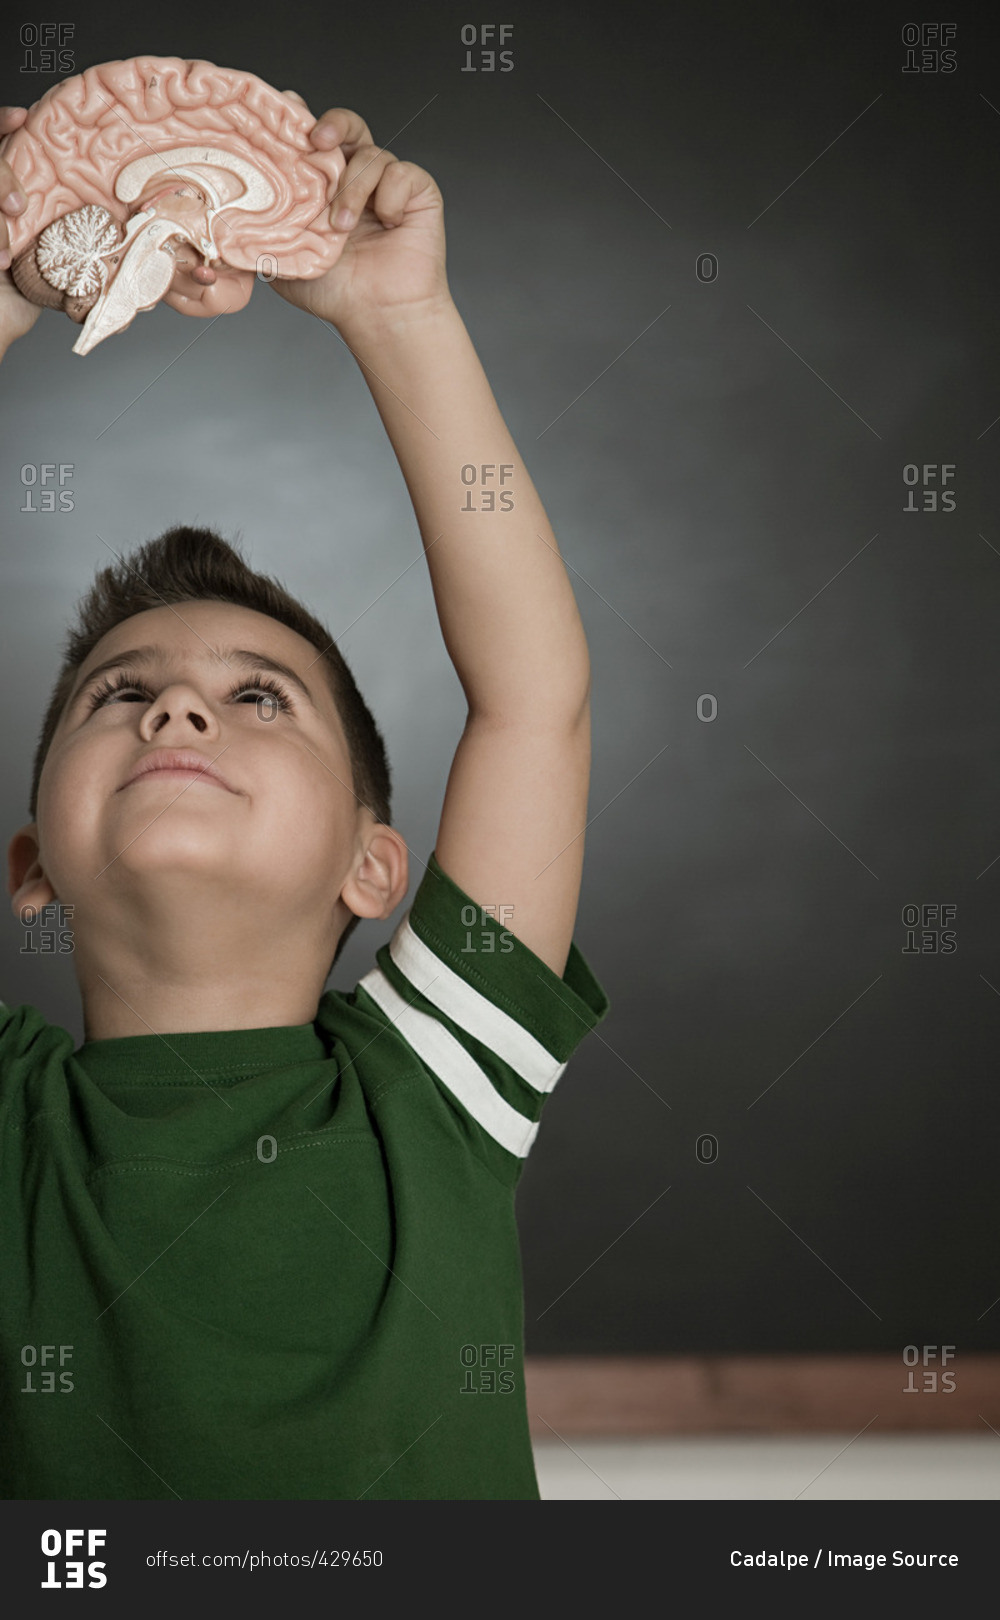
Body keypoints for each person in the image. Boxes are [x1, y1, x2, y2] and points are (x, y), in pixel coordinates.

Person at [0, 94, 610, 1500]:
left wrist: (400, 321)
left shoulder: (433, 1086)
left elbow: (535, 702)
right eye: (115, 693)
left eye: (258, 696)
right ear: (31, 861)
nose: (176, 706)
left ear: (373, 866)